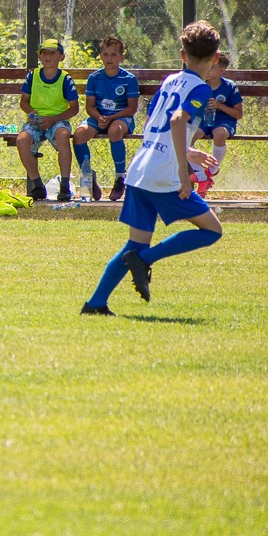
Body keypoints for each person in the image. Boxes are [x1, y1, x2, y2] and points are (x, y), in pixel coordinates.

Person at [81, 21, 225, 316]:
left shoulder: (170, 80)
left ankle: (95, 304)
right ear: (214, 58)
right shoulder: (200, 89)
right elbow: (177, 120)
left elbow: (154, 124)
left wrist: (187, 151)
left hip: (141, 169)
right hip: (163, 176)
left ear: (182, 54)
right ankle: (145, 259)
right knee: (212, 230)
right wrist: (184, 171)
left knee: (134, 244)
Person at [72, 36, 139, 202]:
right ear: (101, 56)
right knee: (79, 134)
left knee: (114, 130)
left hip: (121, 118)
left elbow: (132, 108)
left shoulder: (129, 79)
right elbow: (90, 107)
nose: (109, 58)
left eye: (114, 55)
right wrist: (99, 117)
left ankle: (120, 178)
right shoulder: (94, 78)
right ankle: (88, 177)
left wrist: (111, 118)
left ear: (121, 57)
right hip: (99, 117)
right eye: (105, 54)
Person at [15, 39, 79, 201]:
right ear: (39, 57)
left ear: (61, 57)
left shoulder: (65, 79)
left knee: (63, 135)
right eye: (44, 53)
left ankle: (64, 186)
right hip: (36, 121)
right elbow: (23, 102)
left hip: (57, 120)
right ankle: (38, 185)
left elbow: (74, 108)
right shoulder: (33, 76)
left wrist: (52, 119)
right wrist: (31, 113)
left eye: (52, 53)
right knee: (22, 140)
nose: (48, 57)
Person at [192, 51, 242, 196]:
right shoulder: (200, 85)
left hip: (224, 121)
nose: (208, 69)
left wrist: (220, 106)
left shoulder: (229, 86)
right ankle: (201, 176)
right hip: (203, 120)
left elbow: (238, 114)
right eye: (207, 65)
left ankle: (211, 171)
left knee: (219, 134)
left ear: (222, 70)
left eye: (212, 67)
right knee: (186, 137)